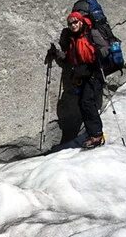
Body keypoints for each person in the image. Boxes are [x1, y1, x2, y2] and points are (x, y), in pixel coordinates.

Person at [45, 10, 111, 149]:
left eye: (75, 22)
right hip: (83, 75)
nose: (73, 25)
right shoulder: (73, 39)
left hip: (94, 73)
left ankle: (97, 135)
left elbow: (105, 48)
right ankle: (93, 133)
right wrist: (56, 53)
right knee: (83, 103)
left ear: (81, 21)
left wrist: (95, 56)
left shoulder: (91, 34)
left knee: (87, 102)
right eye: (70, 23)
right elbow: (69, 58)